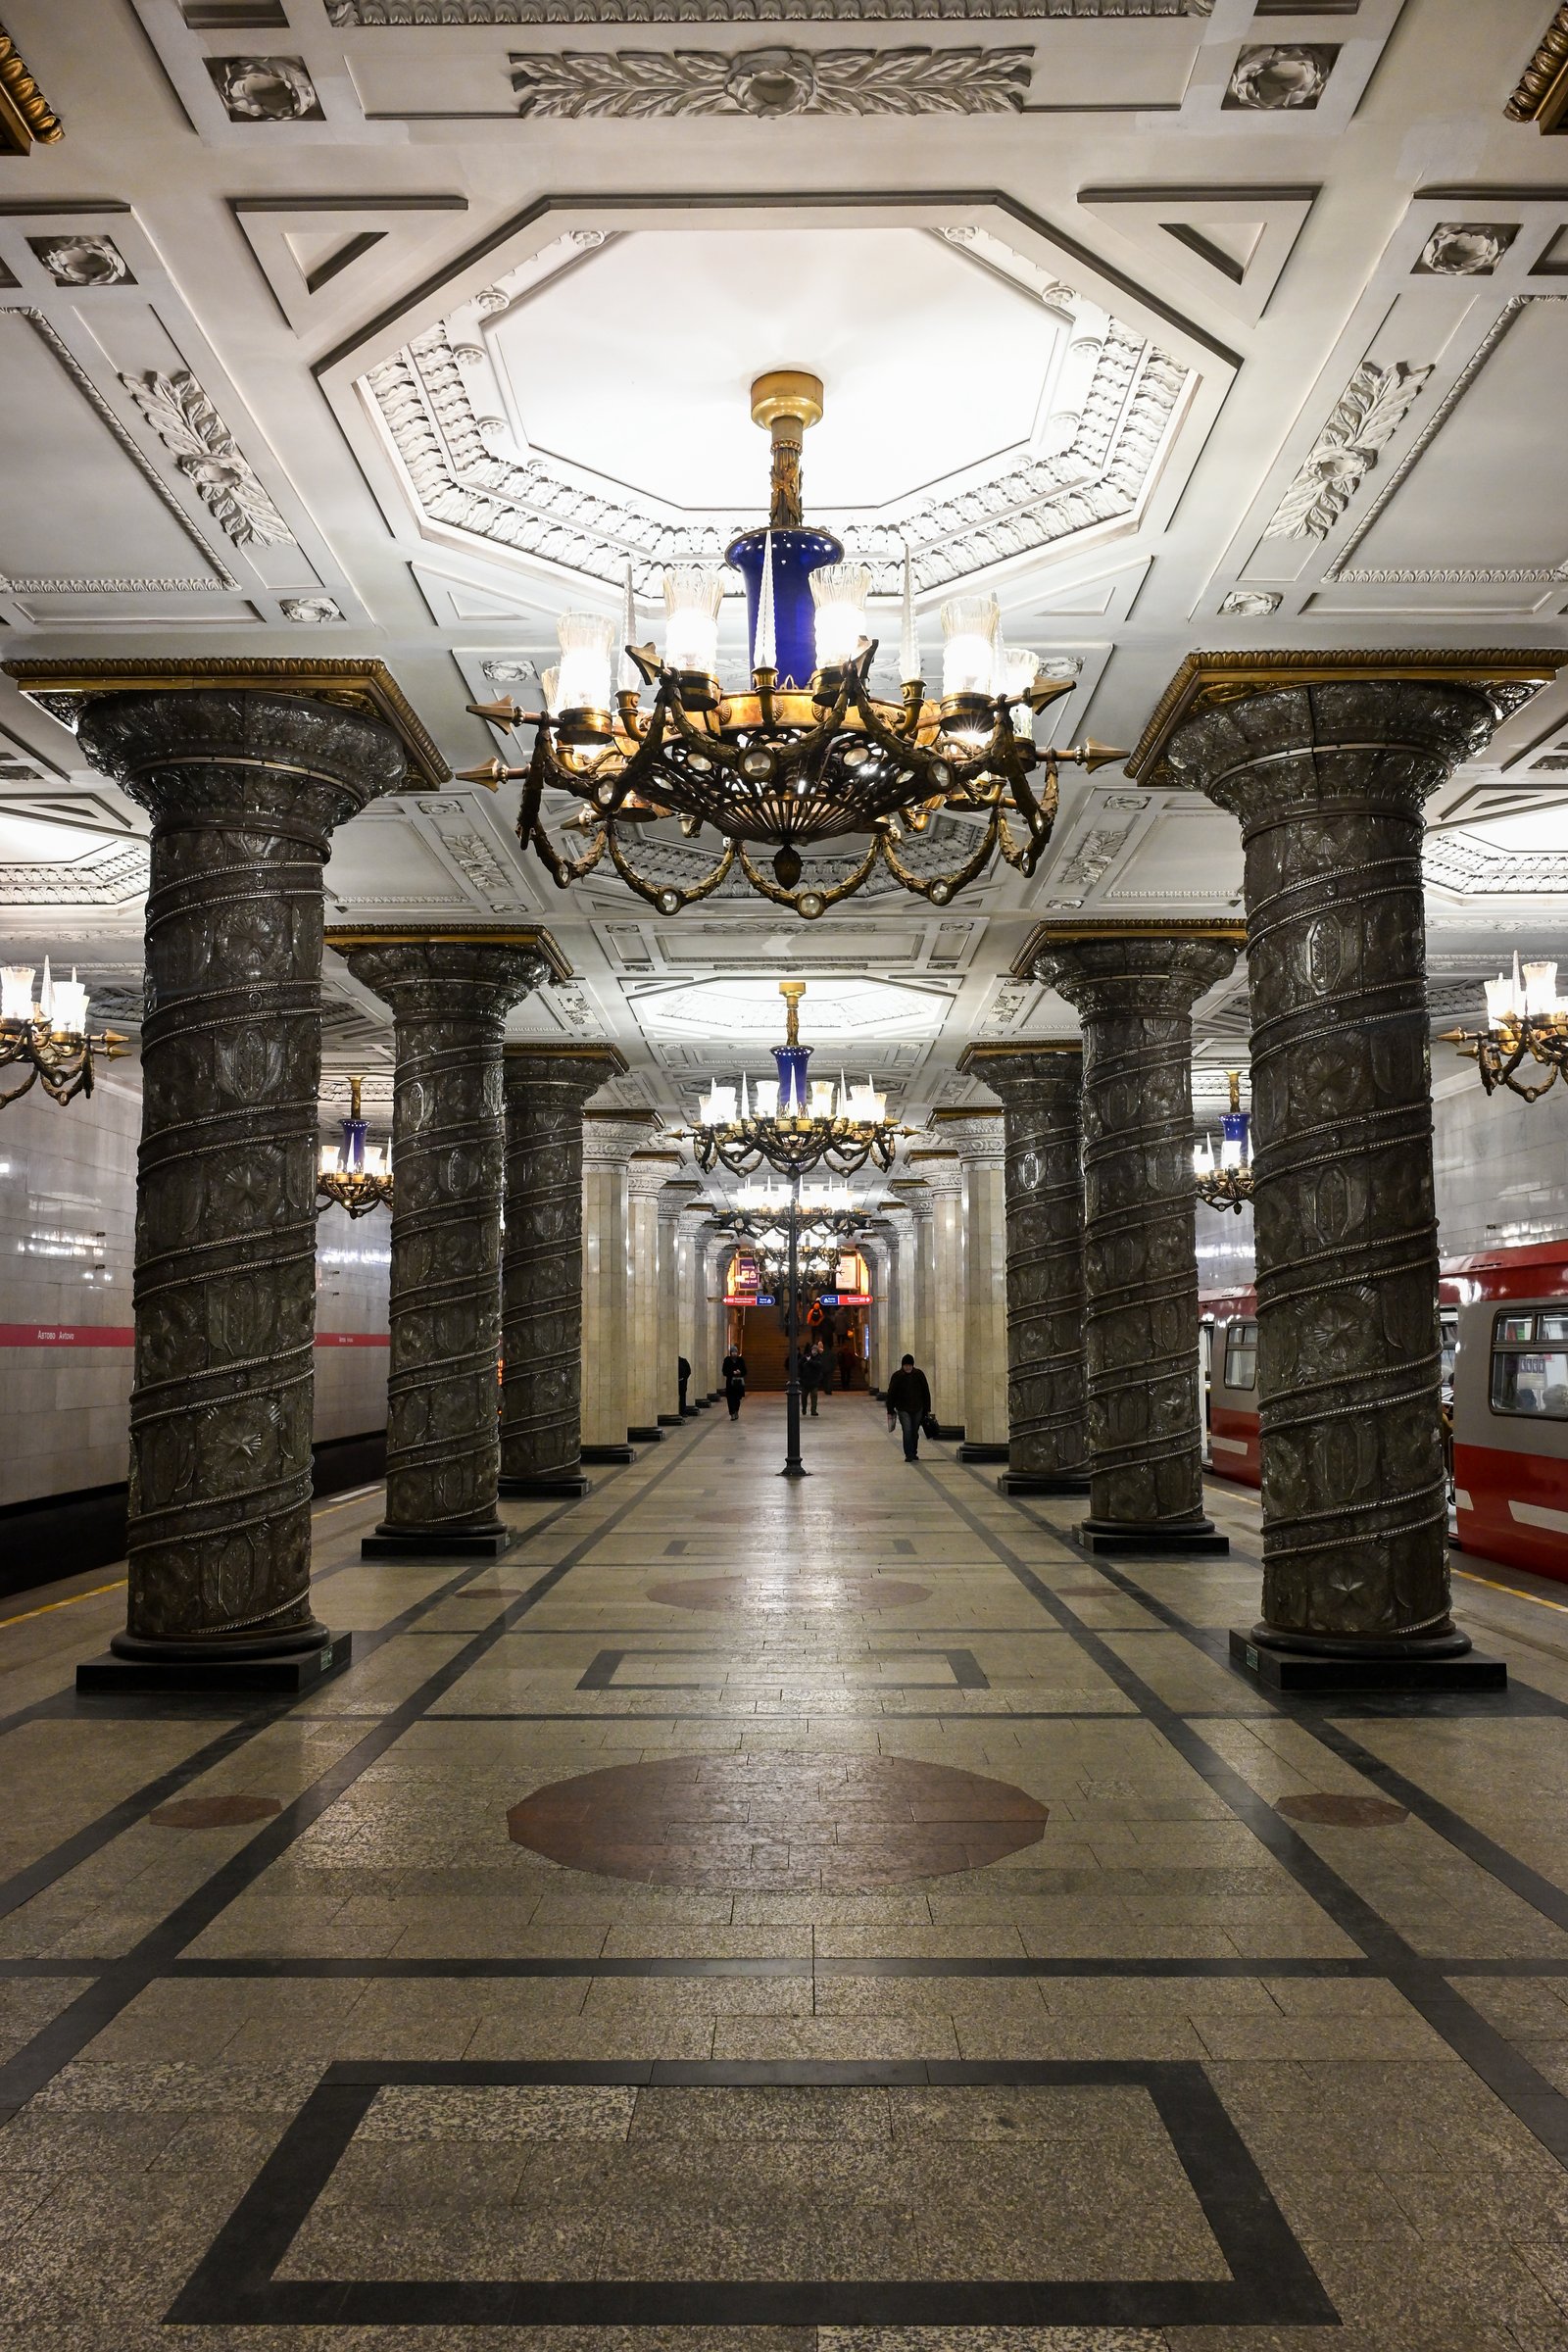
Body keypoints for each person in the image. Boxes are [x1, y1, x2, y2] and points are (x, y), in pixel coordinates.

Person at [885, 1352, 932, 1463]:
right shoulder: (897, 1376)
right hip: (903, 1409)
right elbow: (891, 1393)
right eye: (906, 1365)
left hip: (918, 1408)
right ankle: (908, 1454)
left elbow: (926, 1392)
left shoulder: (919, 1375)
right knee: (907, 1430)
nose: (908, 1368)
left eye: (910, 1365)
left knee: (914, 1431)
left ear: (913, 1365)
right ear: (902, 1366)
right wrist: (890, 1409)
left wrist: (927, 1408)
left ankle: (914, 1451)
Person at [721, 1345, 747, 1421]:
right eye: (733, 1352)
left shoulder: (740, 1360)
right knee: (730, 1399)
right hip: (730, 1382)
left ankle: (736, 1411)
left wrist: (740, 1372)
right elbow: (724, 1371)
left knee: (737, 1399)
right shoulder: (727, 1360)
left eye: (735, 1352)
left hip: (738, 1382)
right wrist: (732, 1372)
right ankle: (732, 1413)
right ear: (730, 1353)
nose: (734, 1353)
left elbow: (745, 1371)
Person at [801, 1339, 823, 1416]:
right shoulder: (806, 1357)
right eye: (813, 1350)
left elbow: (819, 1365)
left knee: (814, 1396)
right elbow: (800, 1364)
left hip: (814, 1381)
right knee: (804, 1397)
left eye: (815, 1350)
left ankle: (813, 1410)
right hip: (805, 1381)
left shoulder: (819, 1358)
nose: (814, 1351)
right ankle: (804, 1409)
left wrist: (810, 1361)